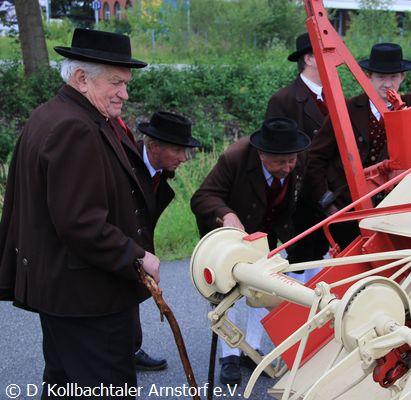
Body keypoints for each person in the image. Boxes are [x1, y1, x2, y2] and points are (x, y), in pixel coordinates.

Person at [0, 28, 158, 398]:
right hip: (88, 297)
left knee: (65, 386)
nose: (125, 93)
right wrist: (137, 257)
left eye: (126, 83)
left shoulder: (51, 114)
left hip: (63, 292)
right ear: (82, 78)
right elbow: (80, 222)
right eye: (116, 82)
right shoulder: (75, 127)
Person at [190, 117, 310, 384]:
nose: (288, 167)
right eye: (280, 162)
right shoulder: (234, 158)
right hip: (231, 237)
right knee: (228, 290)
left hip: (266, 233)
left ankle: (252, 349)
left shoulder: (297, 158)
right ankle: (229, 356)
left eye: (291, 161)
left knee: (265, 287)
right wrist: (226, 214)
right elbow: (202, 197)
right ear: (261, 154)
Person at [305, 42, 411, 249]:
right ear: (368, 76)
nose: (388, 84)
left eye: (393, 76)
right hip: (346, 207)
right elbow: (316, 157)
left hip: (392, 210)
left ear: (402, 77)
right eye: (381, 77)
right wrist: (327, 203)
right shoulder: (346, 109)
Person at [122, 111, 201, 370]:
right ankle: (122, 354)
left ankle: (131, 348)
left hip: (136, 242)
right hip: (118, 243)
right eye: (177, 150)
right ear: (154, 146)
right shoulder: (125, 165)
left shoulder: (159, 170)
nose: (183, 158)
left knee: (132, 289)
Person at [265, 32, 330, 266]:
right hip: (300, 197)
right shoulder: (283, 100)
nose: (331, 59)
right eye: (324, 54)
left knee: (327, 257)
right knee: (301, 258)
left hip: (332, 191)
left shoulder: (335, 96)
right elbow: (272, 153)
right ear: (309, 59)